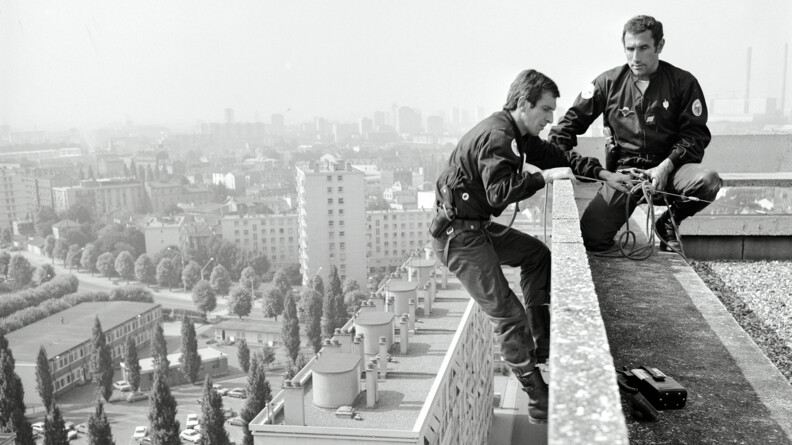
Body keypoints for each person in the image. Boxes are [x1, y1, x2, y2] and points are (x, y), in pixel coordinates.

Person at [430, 69, 629, 423]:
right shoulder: (499, 135)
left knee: (537, 255)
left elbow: (558, 157)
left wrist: (603, 174)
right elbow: (499, 192)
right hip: (459, 239)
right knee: (508, 315)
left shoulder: (517, 134)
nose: (551, 118)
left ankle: (544, 346)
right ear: (524, 104)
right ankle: (539, 400)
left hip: (478, 229)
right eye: (546, 109)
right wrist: (541, 178)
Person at [549, 15, 722, 253]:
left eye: (643, 48)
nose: (635, 57)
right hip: (625, 177)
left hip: (669, 173)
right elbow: (562, 132)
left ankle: (668, 223)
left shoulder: (683, 82)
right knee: (592, 238)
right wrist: (585, 169)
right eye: (630, 49)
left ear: (659, 46)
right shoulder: (607, 84)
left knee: (708, 181)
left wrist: (666, 166)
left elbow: (696, 136)